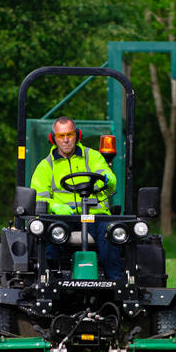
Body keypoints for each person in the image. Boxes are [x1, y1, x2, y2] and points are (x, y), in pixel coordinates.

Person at [30, 116, 122, 279]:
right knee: (51, 231)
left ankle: (115, 283)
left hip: (95, 215)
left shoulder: (92, 156)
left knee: (110, 232)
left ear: (77, 135)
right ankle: (50, 278)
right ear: (54, 138)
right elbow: (38, 197)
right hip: (64, 216)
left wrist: (108, 178)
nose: (66, 140)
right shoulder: (45, 166)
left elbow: (107, 175)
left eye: (69, 135)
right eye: (61, 136)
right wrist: (55, 207)